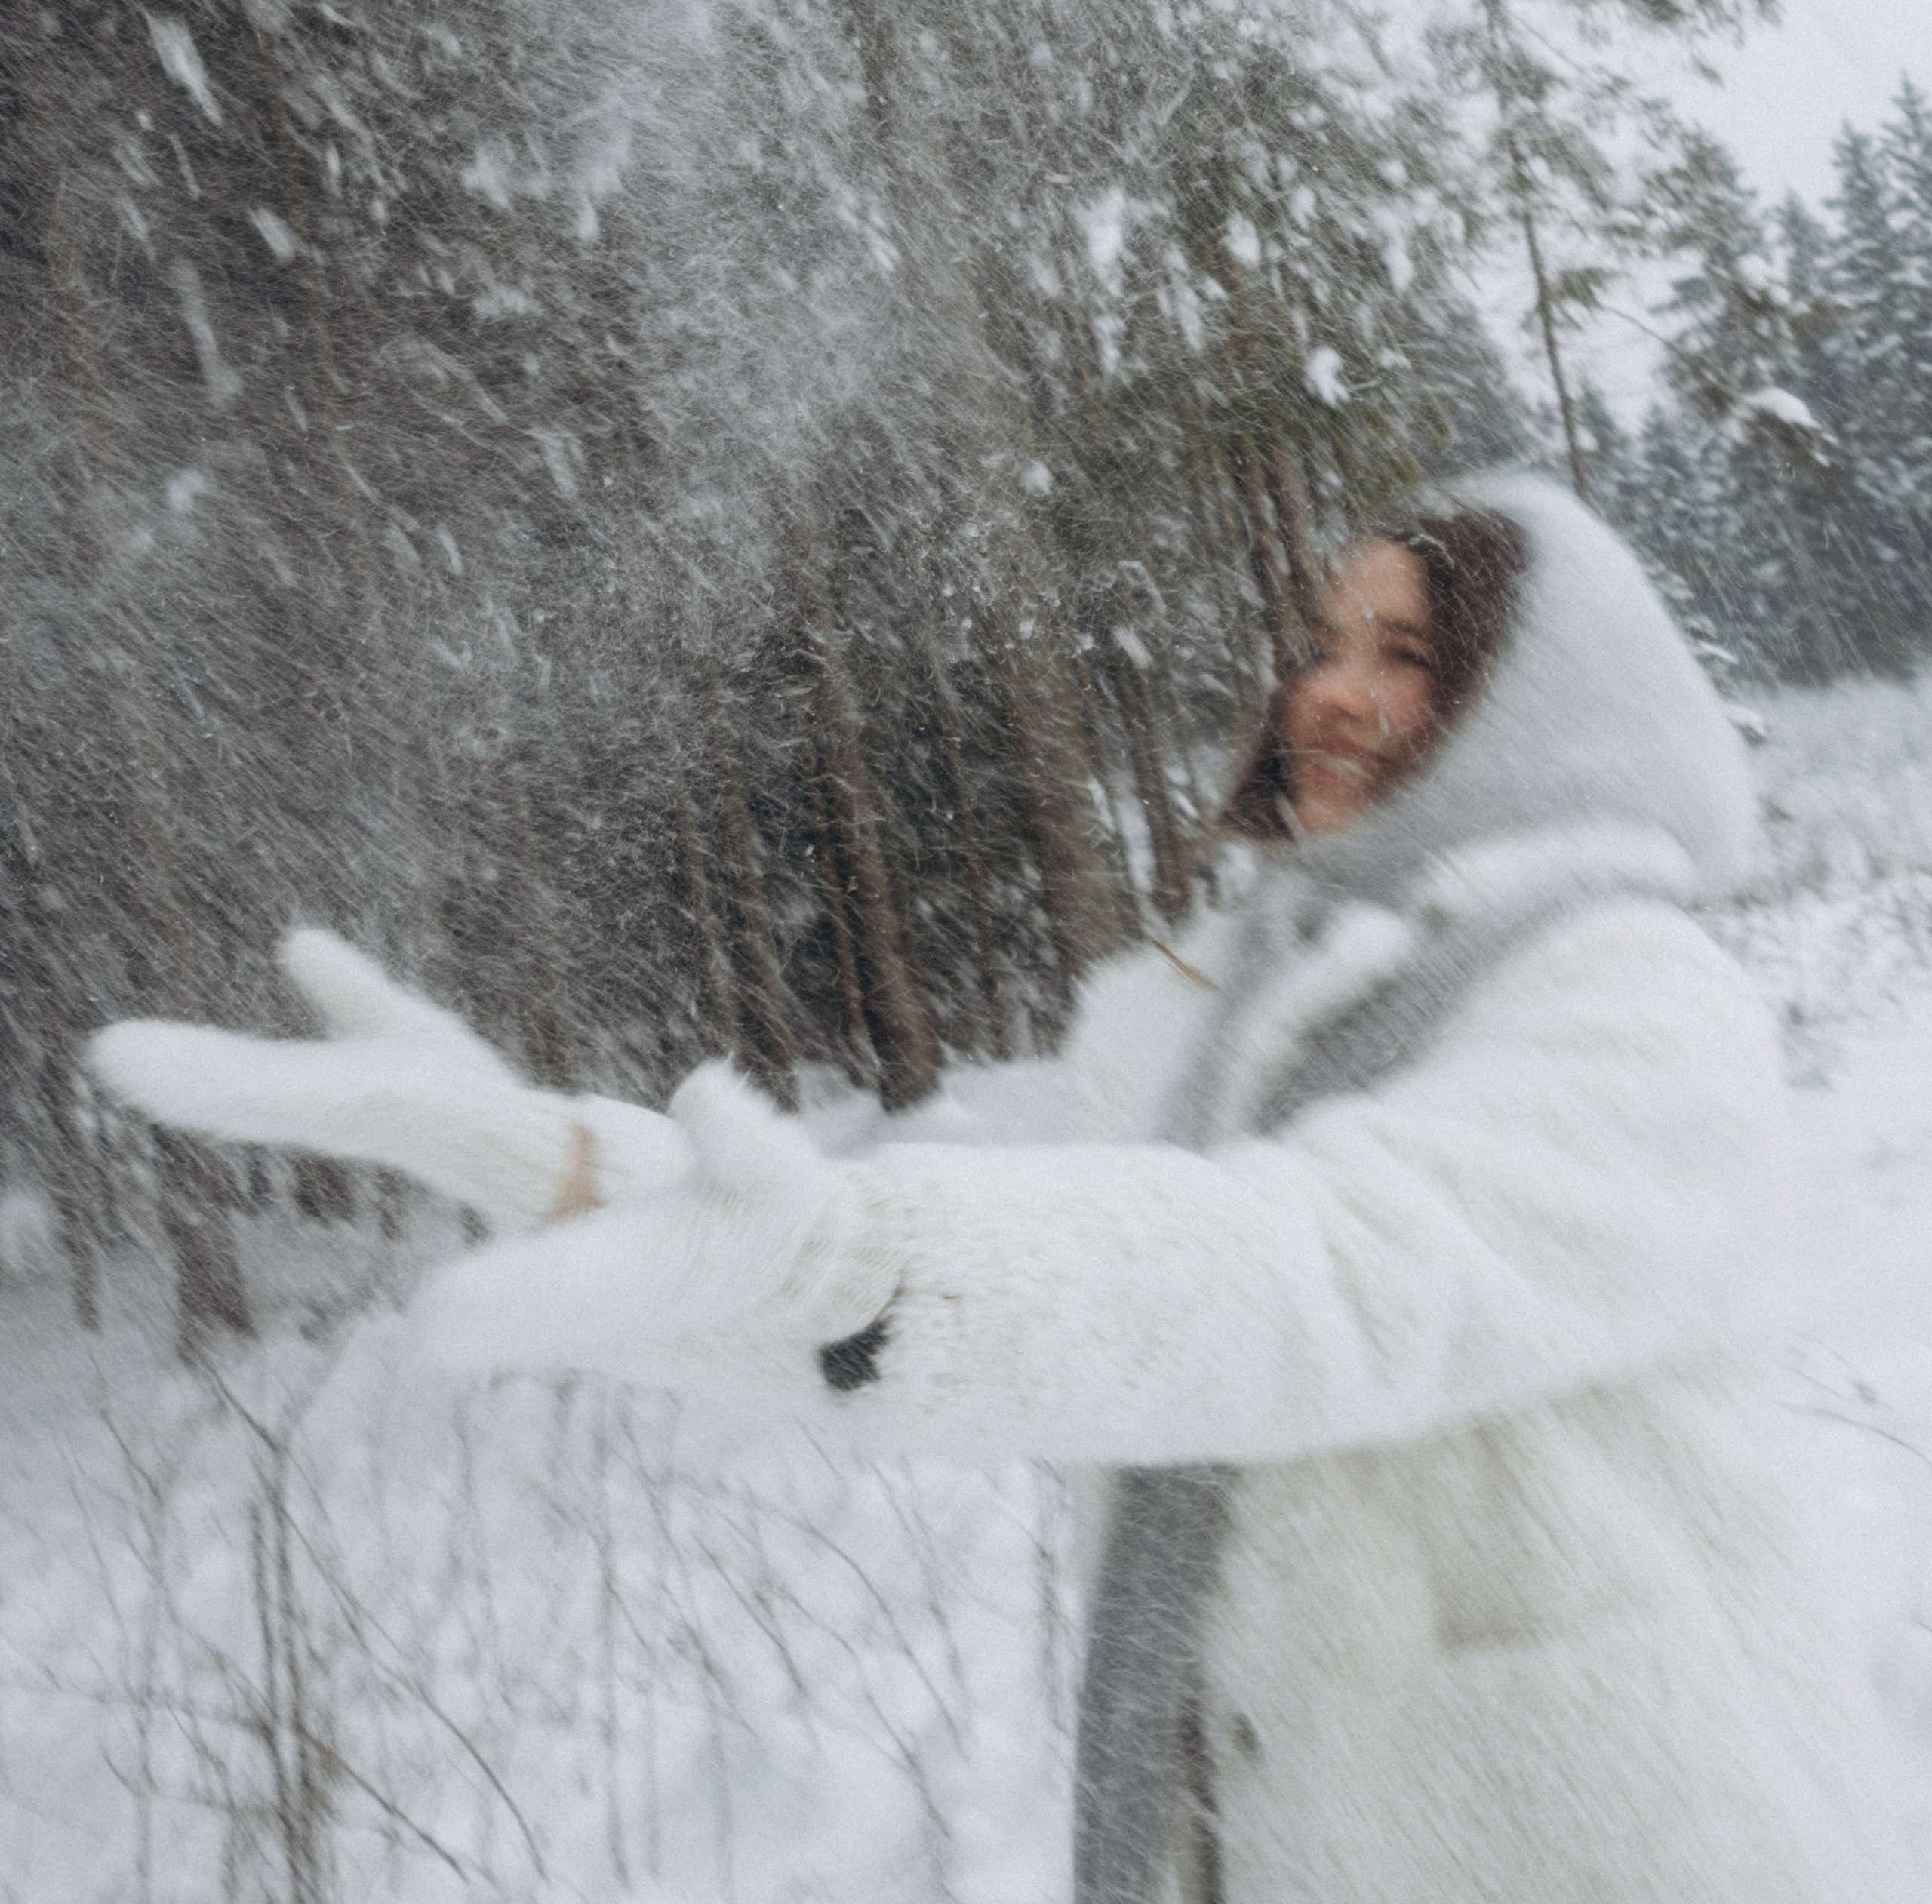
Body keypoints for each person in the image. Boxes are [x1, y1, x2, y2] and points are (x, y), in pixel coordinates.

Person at [92, 473, 1912, 1904]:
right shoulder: (1217, 1014)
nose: (1329, 693)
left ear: (1549, 706)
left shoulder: (1626, 995)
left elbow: (1323, 1269)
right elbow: (999, 1287)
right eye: (1324, 640)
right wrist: (571, 1165)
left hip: (1623, 1846)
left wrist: (859, 1267)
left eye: (1412, 656)